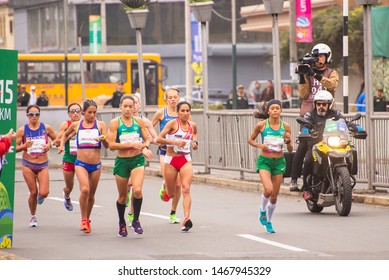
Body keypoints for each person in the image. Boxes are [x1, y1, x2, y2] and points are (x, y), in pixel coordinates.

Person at [290, 43, 339, 192]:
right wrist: (303, 76)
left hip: (328, 114)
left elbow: (332, 85)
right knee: (304, 146)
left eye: (322, 56)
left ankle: (337, 177)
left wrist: (315, 75)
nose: (318, 59)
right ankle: (294, 179)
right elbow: (303, 95)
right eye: (316, 56)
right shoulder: (307, 71)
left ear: (327, 57)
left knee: (337, 144)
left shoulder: (332, 72)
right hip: (309, 115)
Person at [298, 90, 362, 200]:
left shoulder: (336, 114)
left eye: (324, 104)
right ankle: (306, 189)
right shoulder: (310, 114)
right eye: (318, 104)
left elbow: (345, 122)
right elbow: (305, 123)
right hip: (316, 143)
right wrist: (305, 130)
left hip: (333, 142)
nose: (321, 106)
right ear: (315, 104)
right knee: (308, 159)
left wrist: (356, 128)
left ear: (330, 104)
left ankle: (346, 188)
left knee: (351, 152)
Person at [58, 100, 108, 233]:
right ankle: (83, 219)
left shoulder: (101, 124)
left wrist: (104, 138)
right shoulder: (77, 125)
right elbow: (65, 134)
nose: (92, 115)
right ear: (83, 112)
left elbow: (108, 145)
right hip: (81, 163)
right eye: (89, 112)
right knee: (84, 189)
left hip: (96, 165)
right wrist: (62, 145)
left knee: (91, 194)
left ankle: (87, 218)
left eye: (94, 112)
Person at [107, 95, 153, 237]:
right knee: (122, 196)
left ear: (134, 107)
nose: (127, 109)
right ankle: (122, 222)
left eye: (130, 106)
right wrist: (130, 144)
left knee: (137, 190)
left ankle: (136, 220)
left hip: (137, 160)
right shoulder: (115, 123)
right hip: (122, 162)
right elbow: (111, 145)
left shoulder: (139, 121)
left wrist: (144, 147)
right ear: (120, 106)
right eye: (125, 106)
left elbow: (147, 138)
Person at [248, 99, 293, 233]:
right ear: (268, 111)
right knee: (268, 190)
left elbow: (290, 149)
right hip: (265, 161)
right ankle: (262, 210)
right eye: (272, 108)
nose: (275, 110)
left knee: (274, 195)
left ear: (281, 111)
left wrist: (288, 140)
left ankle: (268, 221)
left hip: (278, 162)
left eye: (277, 108)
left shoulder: (286, 126)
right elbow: (250, 140)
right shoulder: (261, 125)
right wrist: (260, 145)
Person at [157, 101, 199, 232]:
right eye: (183, 111)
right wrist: (174, 142)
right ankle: (165, 188)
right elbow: (159, 139)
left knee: (185, 189)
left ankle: (186, 218)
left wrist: (195, 143)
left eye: (188, 111)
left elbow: (195, 134)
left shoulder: (192, 125)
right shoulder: (172, 124)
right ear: (178, 112)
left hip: (185, 159)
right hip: (171, 160)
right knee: (171, 193)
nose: (186, 113)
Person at [15, 105, 57, 227]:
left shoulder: (46, 127)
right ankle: (33, 216)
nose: (34, 117)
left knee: (44, 193)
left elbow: (57, 139)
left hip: (43, 164)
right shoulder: (22, 130)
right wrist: (24, 146)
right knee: (33, 192)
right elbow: (14, 149)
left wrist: (50, 144)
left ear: (39, 115)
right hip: (28, 164)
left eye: (37, 114)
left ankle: (41, 196)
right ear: (27, 115)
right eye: (31, 114)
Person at [151, 87, 183, 224]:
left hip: (180, 153)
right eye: (170, 97)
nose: (173, 99)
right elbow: (148, 125)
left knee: (178, 184)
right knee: (170, 183)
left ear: (179, 98)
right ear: (166, 99)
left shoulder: (183, 113)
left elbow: (191, 128)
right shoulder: (161, 113)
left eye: (175, 97)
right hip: (165, 151)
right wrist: (154, 138)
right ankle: (165, 185)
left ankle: (173, 212)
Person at [126, 93, 158, 225]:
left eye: (136, 103)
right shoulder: (120, 121)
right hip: (124, 157)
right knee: (127, 185)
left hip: (138, 157)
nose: (133, 106)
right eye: (131, 103)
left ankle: (132, 213)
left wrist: (151, 141)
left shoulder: (144, 121)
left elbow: (154, 137)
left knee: (135, 186)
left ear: (139, 105)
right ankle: (125, 196)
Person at [55, 103, 82, 211]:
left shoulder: (86, 124)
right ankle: (66, 196)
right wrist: (70, 134)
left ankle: (84, 212)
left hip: (82, 160)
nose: (75, 113)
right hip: (69, 159)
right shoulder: (65, 124)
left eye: (77, 111)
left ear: (82, 112)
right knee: (69, 187)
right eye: (72, 111)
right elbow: (57, 142)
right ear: (68, 113)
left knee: (84, 187)